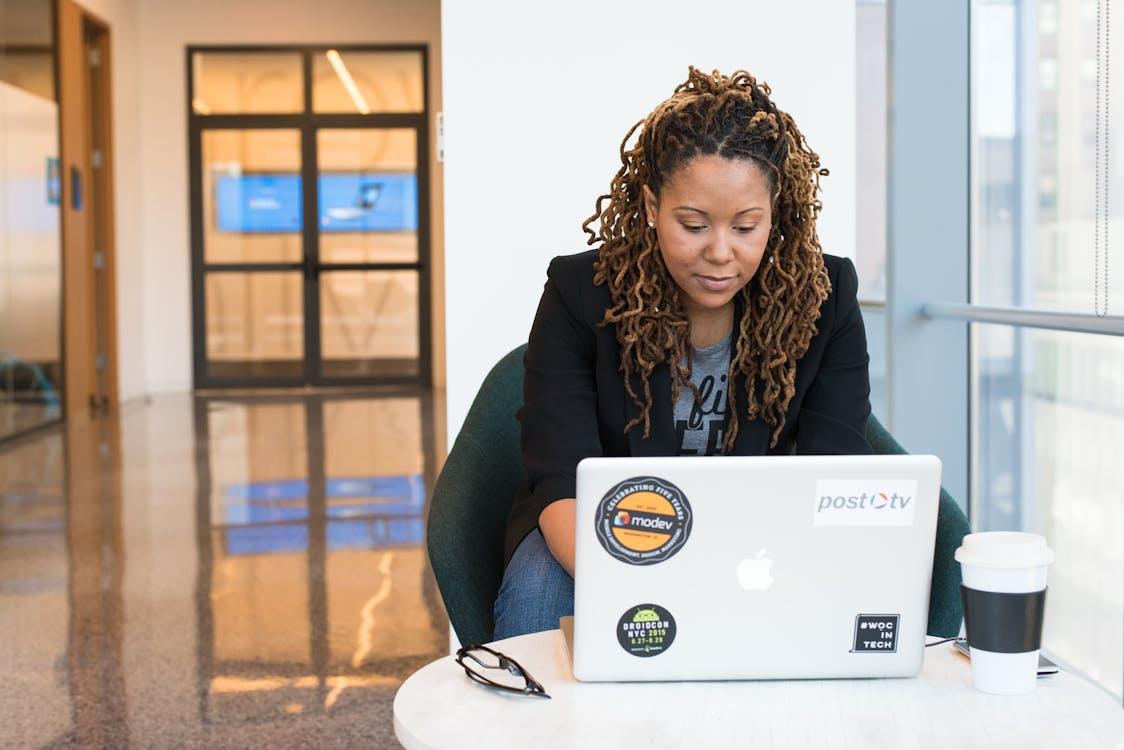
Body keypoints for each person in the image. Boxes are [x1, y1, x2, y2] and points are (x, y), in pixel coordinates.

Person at [493, 68, 873, 640]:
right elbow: (560, 477)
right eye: (693, 225)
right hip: (604, 532)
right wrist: (657, 585)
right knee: (539, 590)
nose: (720, 253)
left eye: (747, 226)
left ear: (776, 212)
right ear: (651, 204)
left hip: (757, 539)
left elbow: (834, 474)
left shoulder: (823, 296)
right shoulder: (580, 292)